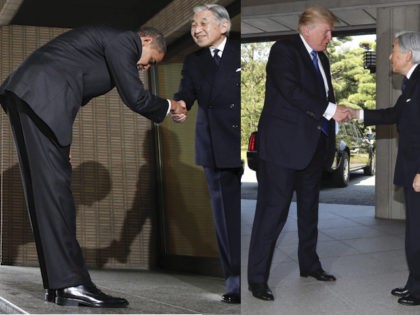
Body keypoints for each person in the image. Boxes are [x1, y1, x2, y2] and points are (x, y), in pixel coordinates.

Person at [0, 25, 186, 308]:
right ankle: (71, 284)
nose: (146, 68)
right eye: (151, 60)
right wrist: (171, 105)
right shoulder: (124, 40)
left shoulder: (109, 52)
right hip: (38, 96)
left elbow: (71, 89)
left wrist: (63, 138)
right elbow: (135, 97)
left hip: (33, 98)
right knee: (56, 195)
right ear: (146, 40)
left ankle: (60, 285)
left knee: (46, 195)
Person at [247, 6, 352, 301]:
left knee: (309, 211)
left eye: (331, 32)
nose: (330, 36)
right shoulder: (284, 50)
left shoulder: (322, 58)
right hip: (282, 148)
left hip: (313, 148)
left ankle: (309, 265)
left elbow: (323, 97)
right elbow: (291, 91)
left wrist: (330, 127)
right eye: (326, 31)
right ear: (307, 29)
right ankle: (257, 279)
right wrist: (332, 110)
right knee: (272, 213)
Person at [172, 3, 241, 304]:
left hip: (247, 142)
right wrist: (181, 106)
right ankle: (234, 279)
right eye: (193, 24)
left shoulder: (244, 48)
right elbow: (186, 92)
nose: (196, 29)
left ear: (223, 26)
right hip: (214, 147)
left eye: (203, 22)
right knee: (225, 217)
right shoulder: (194, 61)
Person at [349, 31, 420, 306]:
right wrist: (358, 114)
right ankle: (414, 283)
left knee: (417, 232)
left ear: (408, 55)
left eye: (393, 50)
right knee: (413, 230)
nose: (389, 56)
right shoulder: (411, 84)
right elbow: (394, 114)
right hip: (411, 167)